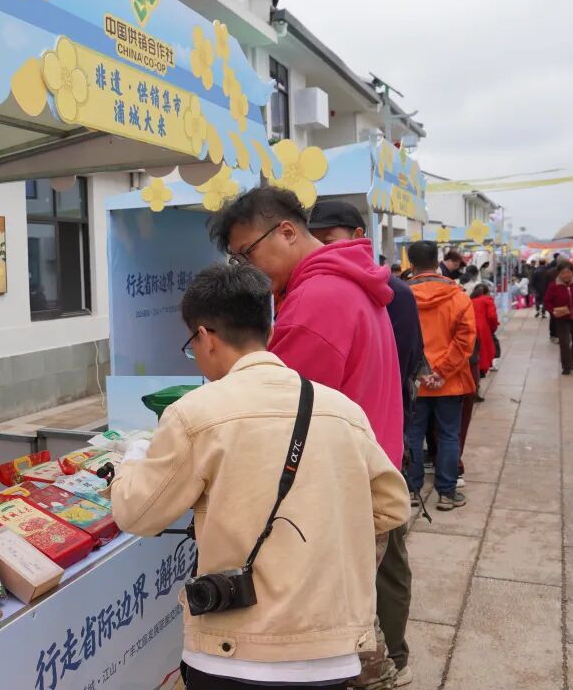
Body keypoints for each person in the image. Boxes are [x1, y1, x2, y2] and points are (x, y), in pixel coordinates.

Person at [110, 264, 411, 690]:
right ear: (267, 329)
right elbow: (392, 506)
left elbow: (137, 513)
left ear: (206, 337)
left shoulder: (195, 413)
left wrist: (131, 460)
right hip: (331, 654)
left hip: (233, 654)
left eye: (192, 345)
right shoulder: (342, 410)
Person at [308, 200, 424, 688]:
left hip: (375, 444)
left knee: (385, 562)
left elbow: (406, 361)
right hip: (370, 440)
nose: (320, 247)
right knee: (379, 562)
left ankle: (392, 656)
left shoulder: (392, 293)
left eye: (328, 238)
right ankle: (387, 657)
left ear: (358, 235)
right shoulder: (345, 287)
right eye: (315, 239)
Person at [207, 188, 404, 472]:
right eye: (239, 259)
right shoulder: (350, 278)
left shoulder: (314, 300)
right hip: (371, 465)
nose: (248, 269)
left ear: (287, 232)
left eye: (249, 252)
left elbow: (273, 415)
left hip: (341, 478)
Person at [405, 241, 477, 511]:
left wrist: (422, 371)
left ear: (411, 264)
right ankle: (446, 492)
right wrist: (442, 370)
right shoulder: (458, 295)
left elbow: (397, 338)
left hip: (414, 381)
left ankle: (412, 490)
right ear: (437, 262)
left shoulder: (400, 296)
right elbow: (465, 340)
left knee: (413, 435)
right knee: (448, 435)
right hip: (449, 381)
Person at [470, 285, 500, 375]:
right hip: (483, 328)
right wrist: (492, 328)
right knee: (484, 350)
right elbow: (492, 317)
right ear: (487, 292)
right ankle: (482, 370)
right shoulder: (487, 300)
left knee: (474, 350)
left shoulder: (469, 300)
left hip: (470, 326)